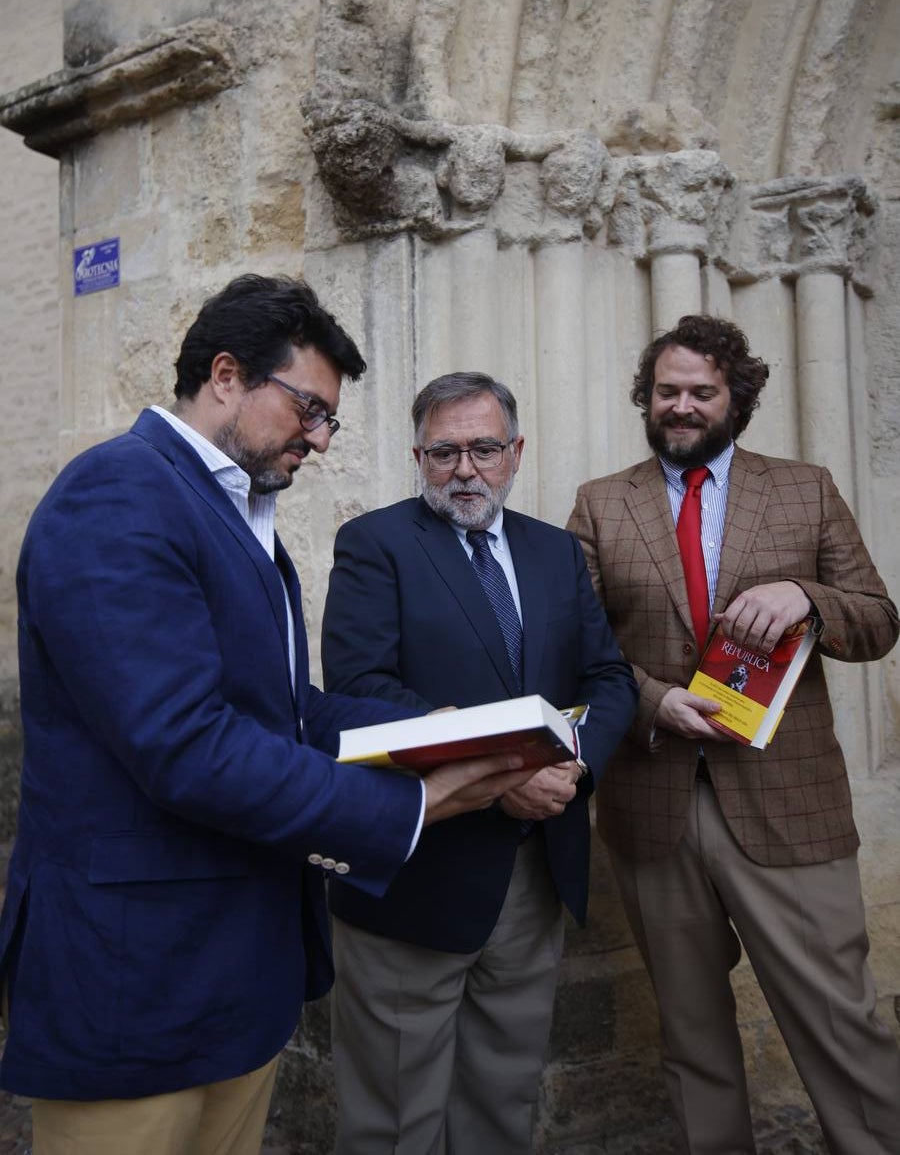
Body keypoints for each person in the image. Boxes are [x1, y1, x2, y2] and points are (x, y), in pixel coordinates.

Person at [0, 276, 533, 1155]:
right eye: (308, 408)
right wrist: (408, 806)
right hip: (136, 976)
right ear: (225, 376)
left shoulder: (231, 507)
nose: (319, 438)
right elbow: (185, 744)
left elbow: (282, 710)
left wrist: (427, 736)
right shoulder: (117, 494)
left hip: (238, 970)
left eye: (329, 420)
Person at [567, 314, 900, 1155]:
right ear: (647, 397)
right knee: (692, 1036)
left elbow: (877, 619)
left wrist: (808, 598)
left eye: (700, 392)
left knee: (842, 1022)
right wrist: (651, 701)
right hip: (655, 804)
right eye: (666, 391)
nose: (680, 406)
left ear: (735, 400)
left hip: (789, 805)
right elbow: (574, 645)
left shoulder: (805, 489)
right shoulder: (601, 504)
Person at [321, 370, 638, 1155]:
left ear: (515, 453)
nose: (465, 469)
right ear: (418, 458)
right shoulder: (375, 545)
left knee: (502, 1102)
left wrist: (572, 767)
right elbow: (361, 690)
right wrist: (505, 777)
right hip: (419, 876)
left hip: (534, 874)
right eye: (445, 452)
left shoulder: (555, 551)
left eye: (485, 449)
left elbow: (608, 679)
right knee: (395, 1122)